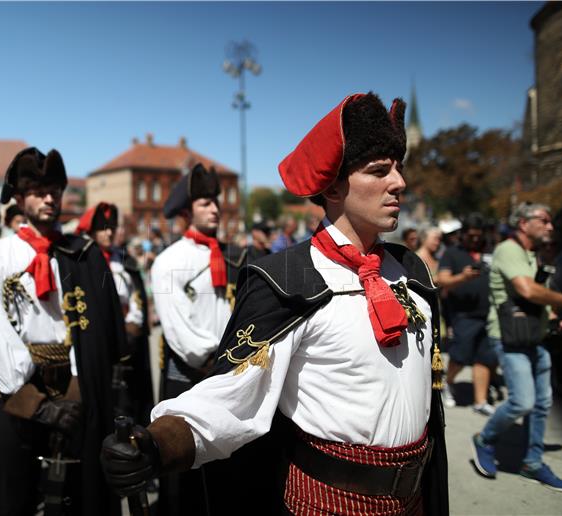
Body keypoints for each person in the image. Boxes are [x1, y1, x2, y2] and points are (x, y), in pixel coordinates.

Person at [102, 92, 449, 515]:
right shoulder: (287, 279)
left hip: (414, 500)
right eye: (379, 171)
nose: (399, 183)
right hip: (327, 503)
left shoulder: (411, 271)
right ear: (334, 186)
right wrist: (156, 444)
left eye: (398, 169)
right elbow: (233, 397)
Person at [0, 147, 126, 515]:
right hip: (14, 392)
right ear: (20, 199)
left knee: (77, 492)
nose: (49, 198)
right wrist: (33, 404)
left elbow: (100, 330)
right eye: (38, 191)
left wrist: (77, 386)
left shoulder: (83, 253)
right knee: (16, 491)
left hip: (74, 388)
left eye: (54, 190)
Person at [147, 163, 246, 515]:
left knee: (223, 467)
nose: (216, 209)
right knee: (184, 468)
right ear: (187, 212)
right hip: (192, 374)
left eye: (216, 202)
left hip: (225, 371)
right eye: (206, 203)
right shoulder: (166, 262)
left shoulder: (232, 255)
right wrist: (213, 360)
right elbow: (177, 328)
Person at [471, 202, 562, 492]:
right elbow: (526, 289)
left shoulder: (531, 254)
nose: (550, 226)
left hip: (534, 336)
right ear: (524, 223)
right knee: (522, 402)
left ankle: (533, 462)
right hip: (510, 336)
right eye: (544, 220)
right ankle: (485, 439)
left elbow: (533, 298)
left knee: (542, 404)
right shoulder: (509, 249)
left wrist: (551, 317)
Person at [76, 202, 153, 425]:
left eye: (111, 227)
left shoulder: (125, 261)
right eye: (103, 228)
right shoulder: (82, 262)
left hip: (128, 340)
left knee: (129, 402)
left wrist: (133, 323)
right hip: (98, 339)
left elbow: (137, 297)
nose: (109, 232)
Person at [437, 214, 497, 415]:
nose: (475, 239)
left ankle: (480, 400)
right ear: (463, 234)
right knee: (460, 355)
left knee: (485, 358)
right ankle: (448, 382)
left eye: (478, 236)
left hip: (489, 314)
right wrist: (462, 277)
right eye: (471, 235)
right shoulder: (452, 253)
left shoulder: (491, 252)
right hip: (464, 314)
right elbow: (442, 280)